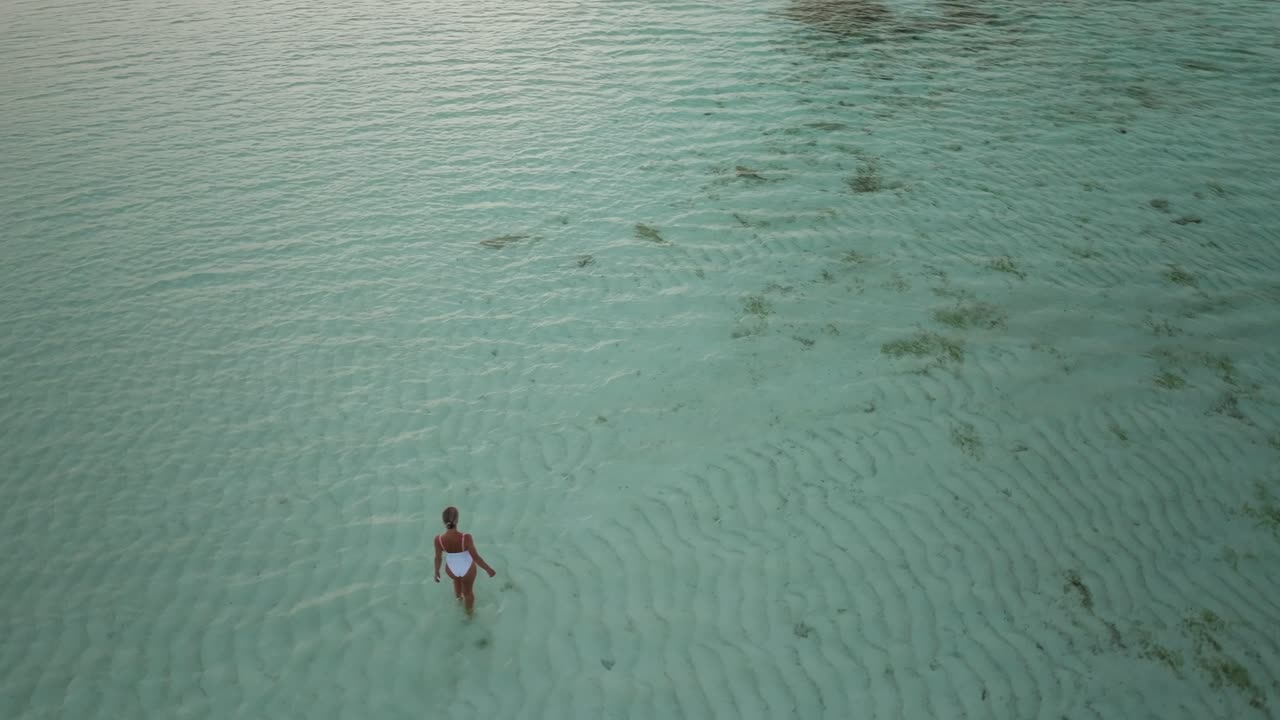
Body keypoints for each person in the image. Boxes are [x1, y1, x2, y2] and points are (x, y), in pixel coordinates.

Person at [433, 506, 496, 616]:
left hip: (451, 568)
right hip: (467, 568)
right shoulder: (465, 537)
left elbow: (438, 558)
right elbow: (476, 557)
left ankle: (458, 600)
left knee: (456, 581)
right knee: (468, 592)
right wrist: (488, 569)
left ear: (443, 522)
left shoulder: (438, 539)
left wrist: (437, 571)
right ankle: (469, 613)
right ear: (457, 520)